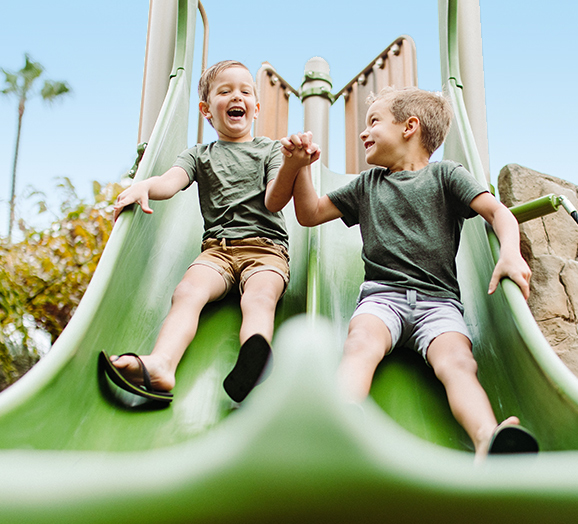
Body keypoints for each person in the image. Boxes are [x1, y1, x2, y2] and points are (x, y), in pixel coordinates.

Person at [282, 86, 537, 458]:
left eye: (374, 122)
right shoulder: (367, 184)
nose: (363, 132)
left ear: (409, 127)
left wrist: (510, 253)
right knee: (359, 344)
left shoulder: (446, 175)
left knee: (459, 363)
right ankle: (340, 420)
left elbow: (499, 213)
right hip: (381, 297)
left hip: (439, 303)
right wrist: (299, 167)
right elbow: (309, 214)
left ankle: (487, 438)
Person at [100, 60, 318, 404]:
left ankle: (254, 358)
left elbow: (275, 200)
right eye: (226, 91)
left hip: (266, 249)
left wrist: (293, 164)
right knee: (186, 293)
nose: (238, 97)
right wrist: (144, 186)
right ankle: (161, 365)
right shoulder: (198, 155)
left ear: (256, 107)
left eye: (246, 91)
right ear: (206, 110)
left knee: (260, 297)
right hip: (216, 250)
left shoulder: (270, 149)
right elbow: (169, 183)